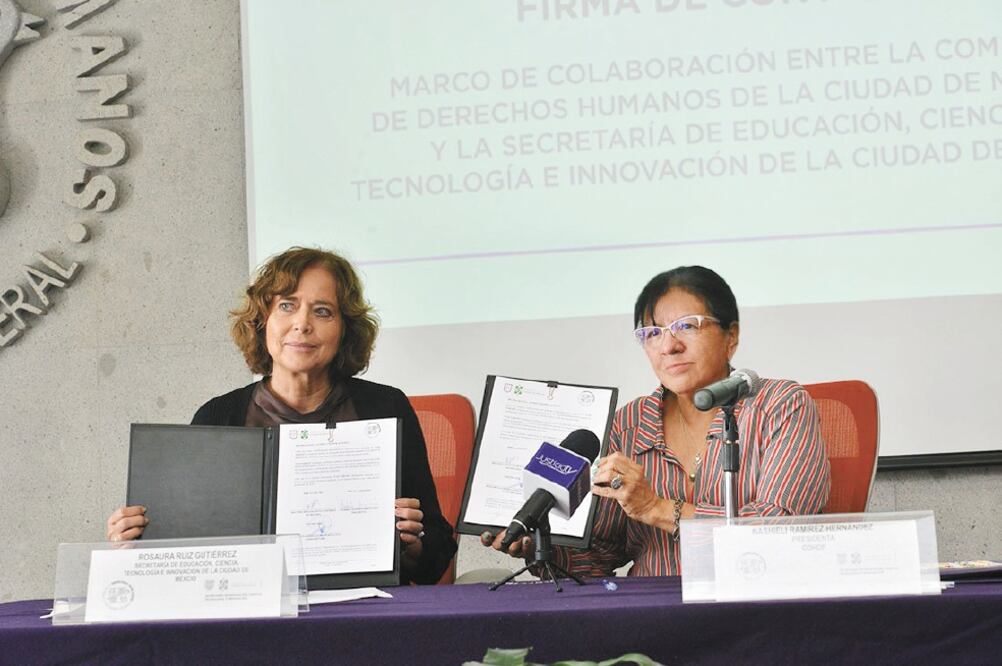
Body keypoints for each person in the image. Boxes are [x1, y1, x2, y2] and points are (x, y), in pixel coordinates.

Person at [107, 247, 457, 584]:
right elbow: (186, 561)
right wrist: (137, 543)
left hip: (360, 609)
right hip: (250, 617)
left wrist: (413, 544)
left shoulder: (386, 408)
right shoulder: (218, 417)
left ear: (345, 330)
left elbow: (436, 554)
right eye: (287, 306)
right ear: (262, 322)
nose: (302, 324)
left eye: (322, 311)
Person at [486, 265, 830, 576]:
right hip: (651, 613)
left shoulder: (780, 405)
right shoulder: (629, 424)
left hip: (754, 607)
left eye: (687, 326)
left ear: (732, 336)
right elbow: (602, 554)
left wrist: (657, 508)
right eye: (652, 333)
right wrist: (539, 548)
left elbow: (780, 533)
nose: (669, 345)